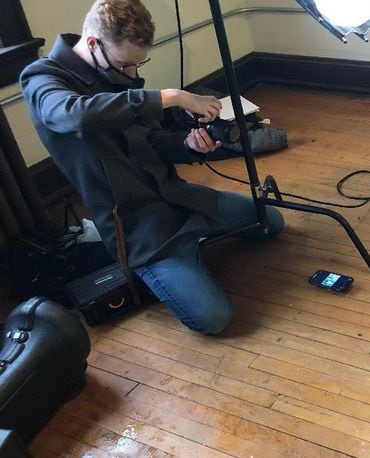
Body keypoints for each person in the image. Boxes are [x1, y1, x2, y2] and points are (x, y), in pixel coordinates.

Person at [21, 0, 284, 334]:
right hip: (139, 226)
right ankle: (175, 261)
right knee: (213, 319)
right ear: (92, 44)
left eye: (138, 64)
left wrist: (187, 145)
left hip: (178, 197)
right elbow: (72, 114)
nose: (133, 74)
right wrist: (170, 97)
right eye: (125, 64)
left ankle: (191, 249)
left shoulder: (115, 71)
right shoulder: (42, 79)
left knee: (271, 222)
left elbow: (154, 142)